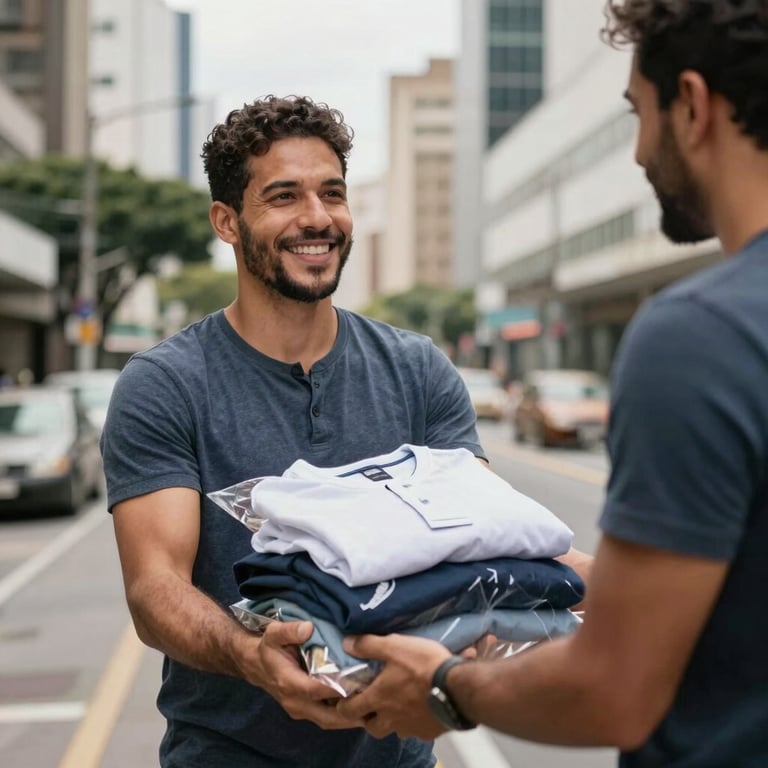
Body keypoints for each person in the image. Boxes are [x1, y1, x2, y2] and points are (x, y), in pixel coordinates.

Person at [335, 2, 768, 766]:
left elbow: (613, 690)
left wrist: (445, 687)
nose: (637, 151)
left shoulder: (701, 336)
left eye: (639, 113)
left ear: (693, 105)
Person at [100, 94, 590, 767]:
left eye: (333, 193)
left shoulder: (417, 369)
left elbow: (493, 542)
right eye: (283, 197)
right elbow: (156, 589)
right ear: (226, 221)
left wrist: (621, 589)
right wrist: (251, 657)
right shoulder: (166, 383)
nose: (318, 218)